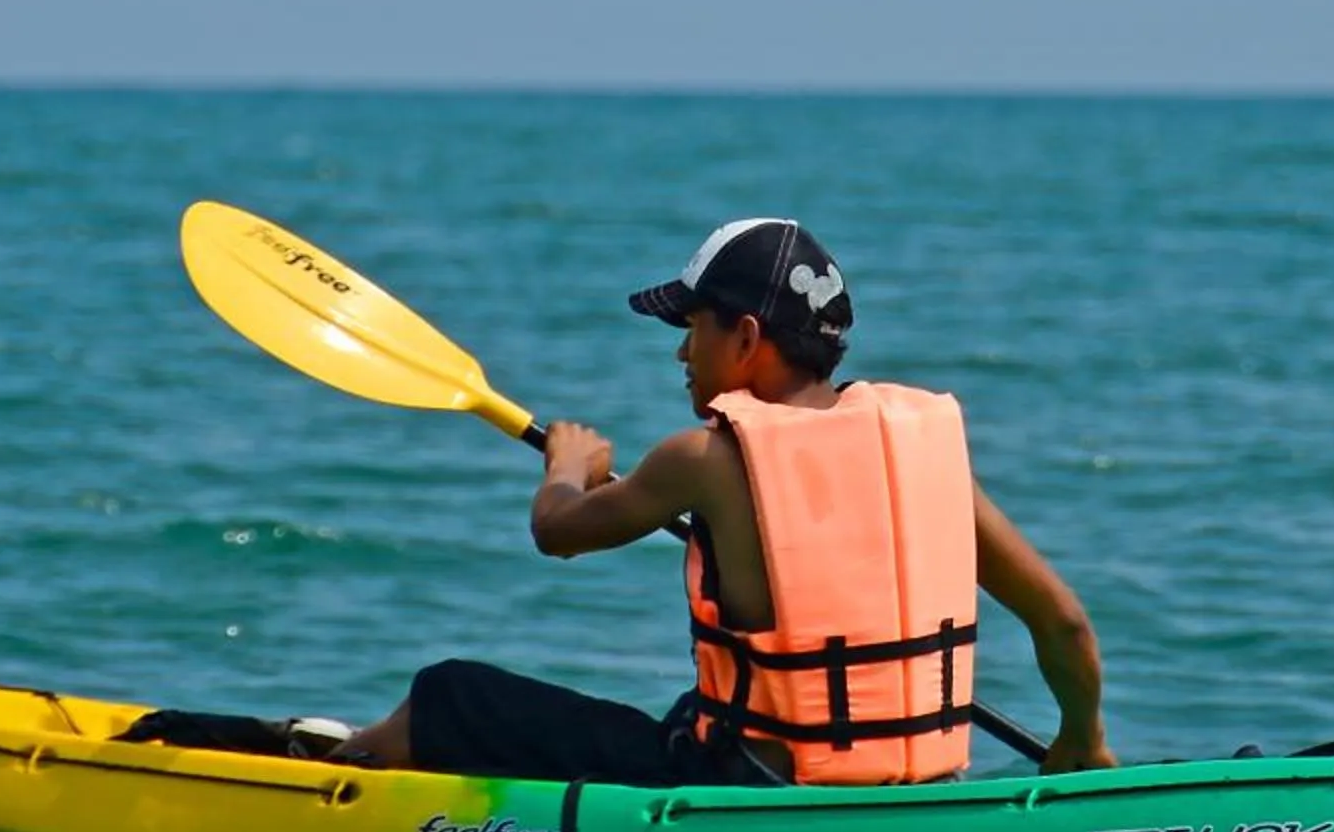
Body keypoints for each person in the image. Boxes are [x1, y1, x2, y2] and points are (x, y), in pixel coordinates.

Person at [333, 218, 1116, 785]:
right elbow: (1064, 622)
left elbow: (558, 531)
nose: (681, 350)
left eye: (692, 327)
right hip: (913, 783)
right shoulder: (922, 456)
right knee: (691, 705)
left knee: (454, 694)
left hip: (750, 789)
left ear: (744, 337)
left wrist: (567, 466)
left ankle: (324, 782)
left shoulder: (704, 459)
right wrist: (1081, 738)